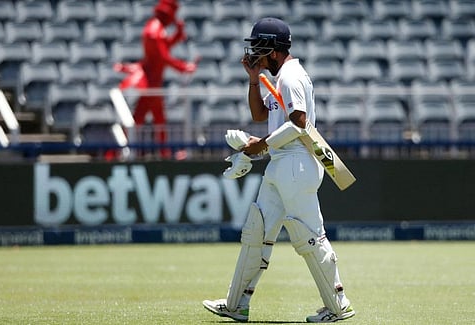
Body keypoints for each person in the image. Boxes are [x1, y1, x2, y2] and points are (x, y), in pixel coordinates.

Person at [202, 17, 355, 323]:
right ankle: (237, 305)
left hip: (296, 163)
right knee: (256, 233)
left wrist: (263, 145)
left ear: (273, 49)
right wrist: (253, 78)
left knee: (310, 238)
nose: (254, 51)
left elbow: (299, 122)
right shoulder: (278, 76)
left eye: (259, 46)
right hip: (281, 164)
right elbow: (260, 114)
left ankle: (339, 306)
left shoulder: (292, 76)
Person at [114, 0, 197, 159]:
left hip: (154, 84)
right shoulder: (154, 31)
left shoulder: (157, 29)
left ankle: (163, 153)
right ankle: (115, 152)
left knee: (158, 120)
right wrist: (183, 67)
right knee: (139, 120)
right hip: (150, 84)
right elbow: (163, 56)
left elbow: (166, 47)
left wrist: (178, 33)